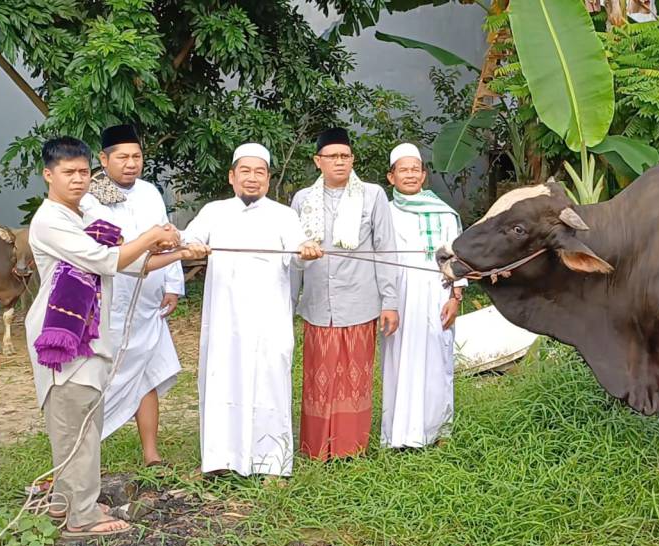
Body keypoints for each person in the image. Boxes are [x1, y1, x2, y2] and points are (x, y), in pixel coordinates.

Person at [24, 137, 206, 537]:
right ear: (48, 175)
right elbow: (106, 259)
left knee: (84, 417)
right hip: (64, 334)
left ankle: (67, 501)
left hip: (90, 331)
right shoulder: (51, 220)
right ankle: (82, 516)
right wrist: (153, 236)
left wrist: (178, 253)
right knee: (75, 422)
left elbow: (131, 260)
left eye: (83, 172)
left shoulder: (84, 213)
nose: (77, 180)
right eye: (68, 173)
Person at [180, 143, 322, 477]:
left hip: (269, 321)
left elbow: (298, 248)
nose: (252, 178)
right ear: (232, 177)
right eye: (245, 171)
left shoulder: (284, 215)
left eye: (260, 172)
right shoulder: (214, 212)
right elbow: (189, 240)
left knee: (270, 383)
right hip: (224, 321)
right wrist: (190, 244)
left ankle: (272, 465)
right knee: (221, 381)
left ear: (268, 180)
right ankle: (220, 462)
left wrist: (307, 250)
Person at [290, 127, 400, 460]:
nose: (340, 162)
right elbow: (294, 255)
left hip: (360, 300)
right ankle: (316, 448)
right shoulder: (301, 200)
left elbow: (386, 250)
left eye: (345, 156)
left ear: (352, 159)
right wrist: (288, 304)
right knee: (319, 377)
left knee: (354, 377)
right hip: (318, 304)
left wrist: (390, 302)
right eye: (332, 157)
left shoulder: (372, 195)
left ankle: (350, 448)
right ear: (317, 161)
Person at [80, 124, 184, 466]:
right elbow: (119, 252)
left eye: (136, 156)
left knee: (147, 372)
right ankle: (81, 454)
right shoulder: (90, 199)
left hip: (149, 303)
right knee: (108, 377)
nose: (130, 163)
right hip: (111, 303)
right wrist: (168, 247)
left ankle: (151, 454)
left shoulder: (151, 192)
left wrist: (173, 284)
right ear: (103, 159)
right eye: (122, 157)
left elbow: (167, 234)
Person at [380, 144, 465, 449]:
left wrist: (456, 297)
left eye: (415, 169)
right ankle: (399, 436)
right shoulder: (385, 212)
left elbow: (455, 255)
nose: (410, 175)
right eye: (403, 169)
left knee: (438, 358)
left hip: (437, 292)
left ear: (424, 175)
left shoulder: (444, 211)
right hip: (399, 295)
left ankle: (438, 431)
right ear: (391, 177)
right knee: (399, 359)